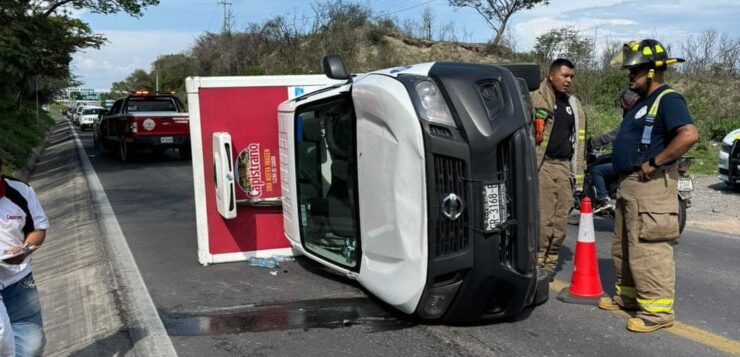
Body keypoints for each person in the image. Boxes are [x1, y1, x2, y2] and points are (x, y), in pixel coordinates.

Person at [598, 39, 699, 333]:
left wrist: (654, 162)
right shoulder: (642, 102)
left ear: (653, 72)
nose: (630, 77)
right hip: (630, 185)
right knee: (625, 246)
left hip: (651, 186)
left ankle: (657, 313)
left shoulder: (668, 99)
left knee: (648, 249)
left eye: (636, 71)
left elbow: (688, 135)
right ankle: (628, 297)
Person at [530, 58, 587, 281]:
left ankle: (551, 261)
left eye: (571, 77)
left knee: (561, 218)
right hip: (542, 165)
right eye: (564, 76)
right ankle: (536, 260)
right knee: (544, 218)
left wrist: (579, 173)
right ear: (551, 75)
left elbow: (579, 141)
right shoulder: (534, 98)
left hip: (564, 168)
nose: (568, 80)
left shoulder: (573, 104)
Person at [0, 158, 49, 355]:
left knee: (31, 346)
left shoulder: (20, 191)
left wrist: (25, 249)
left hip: (18, 279)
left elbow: (38, 229)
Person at [589, 89, 641, 214]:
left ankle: (603, 200)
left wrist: (593, 142)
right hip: (639, 159)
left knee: (597, 170)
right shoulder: (644, 116)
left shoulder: (631, 120)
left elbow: (613, 135)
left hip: (629, 161)